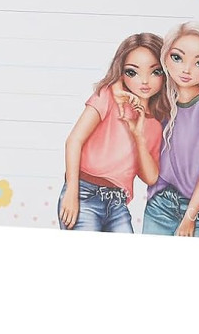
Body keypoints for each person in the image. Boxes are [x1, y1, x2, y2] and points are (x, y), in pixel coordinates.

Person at [59, 33, 166, 232]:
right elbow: (74, 140)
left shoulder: (156, 123)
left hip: (118, 203)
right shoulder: (108, 95)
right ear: (121, 72)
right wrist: (72, 191)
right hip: (84, 193)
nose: (144, 80)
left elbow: (151, 177)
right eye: (132, 72)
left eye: (155, 71)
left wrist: (138, 137)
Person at [143, 21, 199, 238]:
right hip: (160, 205)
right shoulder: (159, 102)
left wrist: (189, 217)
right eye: (177, 57)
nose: (186, 69)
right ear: (165, 57)